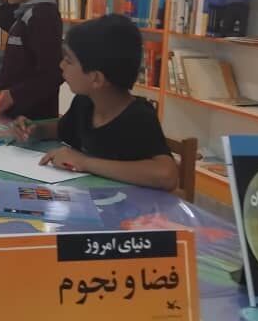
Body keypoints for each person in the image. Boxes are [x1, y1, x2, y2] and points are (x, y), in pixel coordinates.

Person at [10, 15, 180, 191]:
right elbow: (62, 129)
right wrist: (34, 129)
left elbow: (167, 176)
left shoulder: (138, 117)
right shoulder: (85, 103)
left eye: (68, 61)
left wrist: (84, 162)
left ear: (96, 79)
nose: (61, 65)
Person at [0, 0, 64, 119]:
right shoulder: (26, 11)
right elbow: (3, 19)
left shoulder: (43, 17)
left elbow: (53, 73)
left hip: (31, 119)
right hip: (14, 114)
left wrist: (15, 94)